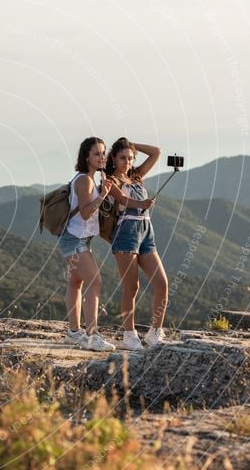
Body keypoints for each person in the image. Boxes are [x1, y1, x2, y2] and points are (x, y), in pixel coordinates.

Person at [105, 137, 169, 349]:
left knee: (162, 284)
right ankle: (129, 335)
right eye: (122, 158)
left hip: (146, 232)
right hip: (126, 234)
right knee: (131, 287)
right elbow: (123, 200)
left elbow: (156, 151)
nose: (127, 162)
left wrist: (133, 144)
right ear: (113, 158)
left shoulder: (136, 176)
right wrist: (142, 203)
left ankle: (154, 333)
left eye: (130, 158)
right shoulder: (109, 180)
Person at [58, 136, 116, 352]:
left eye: (103, 153)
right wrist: (103, 195)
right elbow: (85, 213)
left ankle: (74, 332)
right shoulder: (85, 180)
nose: (102, 157)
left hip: (75, 238)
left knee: (75, 283)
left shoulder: (88, 178)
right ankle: (92, 335)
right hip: (75, 239)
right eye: (96, 154)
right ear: (86, 157)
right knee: (95, 281)